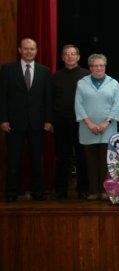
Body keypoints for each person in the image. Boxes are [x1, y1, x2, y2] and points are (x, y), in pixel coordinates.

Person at [0, 38, 52, 202]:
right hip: (14, 122)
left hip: (37, 122)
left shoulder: (44, 71)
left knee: (37, 159)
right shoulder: (8, 69)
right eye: (26, 48)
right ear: (20, 50)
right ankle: (11, 192)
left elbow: (47, 98)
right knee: (14, 159)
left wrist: (48, 120)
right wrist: (3, 119)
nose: (29, 51)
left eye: (32, 49)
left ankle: (38, 192)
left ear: (36, 51)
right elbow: (2, 96)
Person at [75, 53, 119, 200]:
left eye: (101, 65)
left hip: (108, 128)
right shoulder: (82, 83)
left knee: (106, 163)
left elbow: (116, 105)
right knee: (90, 162)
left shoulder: (113, 83)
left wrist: (105, 123)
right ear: (90, 67)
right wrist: (89, 123)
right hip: (87, 128)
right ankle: (93, 191)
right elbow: (78, 105)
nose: (98, 68)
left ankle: (105, 191)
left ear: (105, 66)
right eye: (95, 65)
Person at [51, 44, 90, 200]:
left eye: (73, 54)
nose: (69, 56)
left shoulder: (86, 75)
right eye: (66, 54)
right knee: (62, 157)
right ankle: (60, 190)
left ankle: (82, 189)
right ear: (62, 58)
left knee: (81, 156)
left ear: (78, 57)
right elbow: (50, 100)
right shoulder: (56, 76)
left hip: (81, 122)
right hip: (61, 122)